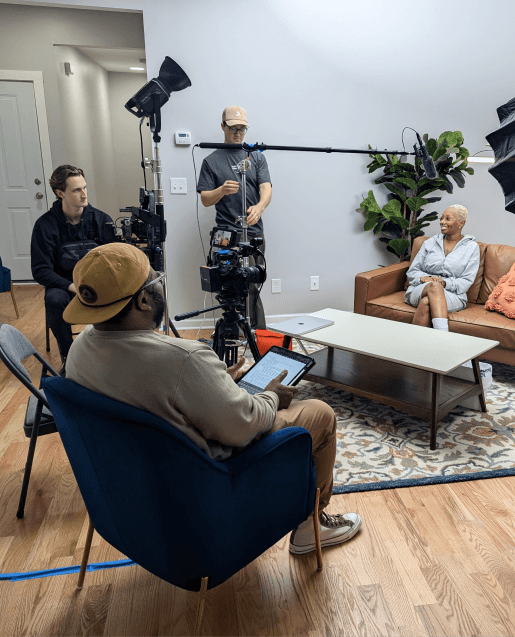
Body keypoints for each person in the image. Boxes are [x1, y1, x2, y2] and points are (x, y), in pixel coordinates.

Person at [62, 243, 362, 554]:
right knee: (320, 412)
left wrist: (213, 385)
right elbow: (243, 427)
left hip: (134, 492)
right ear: (143, 300)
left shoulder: (79, 350)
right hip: (206, 486)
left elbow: (151, 396)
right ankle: (310, 527)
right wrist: (272, 396)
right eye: (155, 280)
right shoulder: (183, 359)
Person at [197, 106, 272, 329]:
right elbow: (205, 199)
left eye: (242, 129)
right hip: (227, 235)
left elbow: (266, 188)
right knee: (229, 286)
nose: (238, 134)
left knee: (252, 284)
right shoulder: (211, 161)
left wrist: (259, 207)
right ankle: (232, 333)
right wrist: (221, 190)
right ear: (223, 126)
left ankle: (256, 333)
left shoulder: (256, 156)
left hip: (253, 232)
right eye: (233, 129)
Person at [30, 165, 114, 364]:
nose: (84, 194)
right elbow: (40, 270)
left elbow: (114, 259)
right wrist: (71, 286)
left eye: (85, 187)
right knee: (54, 299)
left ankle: (111, 354)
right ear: (60, 193)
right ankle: (69, 358)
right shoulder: (44, 225)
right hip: (64, 285)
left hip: (97, 282)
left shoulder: (102, 220)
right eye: (76, 190)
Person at [405, 205, 480, 330]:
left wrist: (444, 283)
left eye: (447, 219)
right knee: (434, 287)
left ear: (461, 223)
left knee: (426, 302)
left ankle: (416, 342)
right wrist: (424, 278)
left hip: (453, 296)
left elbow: (466, 281)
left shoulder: (471, 248)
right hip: (420, 289)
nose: (442, 222)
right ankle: (443, 334)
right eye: (441, 218)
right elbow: (413, 271)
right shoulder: (430, 243)